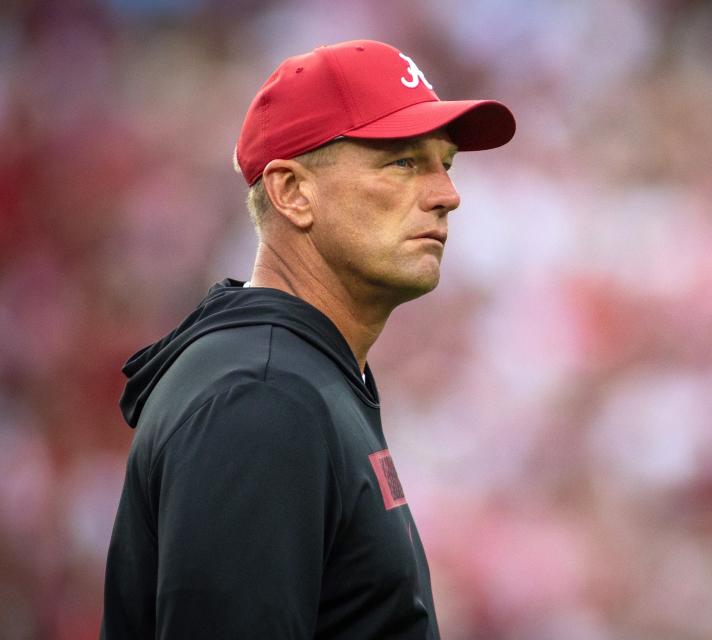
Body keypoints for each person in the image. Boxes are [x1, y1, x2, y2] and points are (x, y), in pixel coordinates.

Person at [100, 39, 515, 639]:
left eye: (444, 164)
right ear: (292, 191)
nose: (447, 194)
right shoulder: (262, 398)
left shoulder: (293, 374)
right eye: (402, 162)